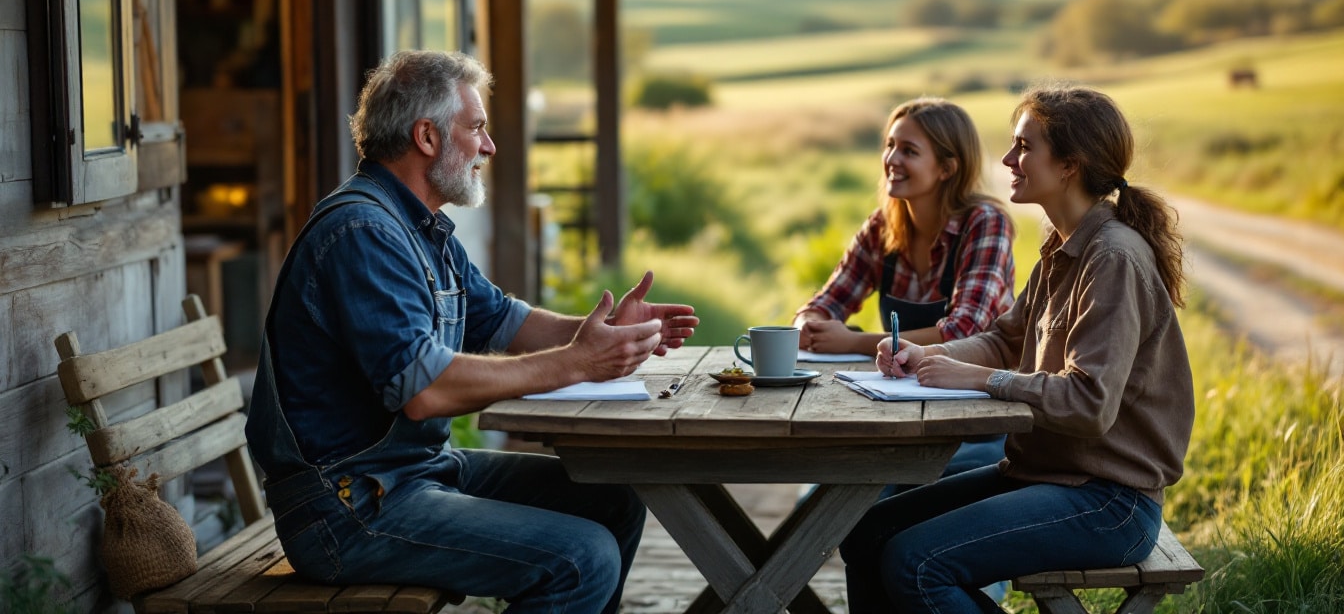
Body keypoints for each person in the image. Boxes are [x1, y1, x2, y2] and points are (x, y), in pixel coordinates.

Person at [243, 50, 699, 613]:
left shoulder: (420, 228)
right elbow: (424, 391)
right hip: (347, 506)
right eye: (477, 128)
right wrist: (578, 362)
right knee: (582, 558)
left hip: (413, 475)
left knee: (612, 502)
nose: (489, 147)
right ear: (427, 137)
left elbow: (506, 321)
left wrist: (599, 332)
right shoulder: (362, 232)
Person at [839, 84, 1194, 613]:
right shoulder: (1062, 246)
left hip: (1108, 501)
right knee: (867, 533)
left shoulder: (1113, 258)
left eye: (1024, 146)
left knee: (914, 564)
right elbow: (1006, 339)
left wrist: (982, 380)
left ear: (1070, 165)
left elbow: (1090, 402)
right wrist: (931, 358)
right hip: (1043, 475)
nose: (1008, 159)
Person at [793, 98, 1016, 482]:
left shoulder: (985, 223)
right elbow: (824, 304)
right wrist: (808, 325)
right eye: (890, 146)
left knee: (866, 488)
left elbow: (964, 331)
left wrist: (851, 342)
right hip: (902, 411)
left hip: (977, 423)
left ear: (947, 168)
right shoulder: (883, 227)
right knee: (825, 477)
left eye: (909, 151)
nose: (892, 159)